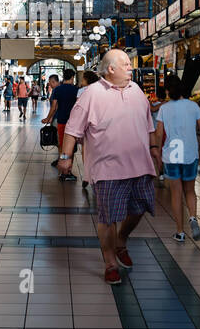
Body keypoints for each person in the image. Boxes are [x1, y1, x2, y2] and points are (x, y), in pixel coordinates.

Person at [58, 49, 159, 286]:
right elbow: (73, 128)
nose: (130, 67)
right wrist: (66, 157)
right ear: (110, 69)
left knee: (141, 207)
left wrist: (154, 148)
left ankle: (121, 239)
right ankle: (110, 262)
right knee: (109, 215)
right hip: (107, 168)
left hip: (140, 164)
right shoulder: (91, 94)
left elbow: (148, 123)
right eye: (125, 64)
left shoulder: (137, 91)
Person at [154, 72, 200, 243]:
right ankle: (193, 218)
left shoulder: (164, 108)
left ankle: (180, 232)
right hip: (190, 154)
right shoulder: (193, 106)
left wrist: (156, 150)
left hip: (172, 155)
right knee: (190, 191)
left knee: (176, 194)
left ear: (168, 91)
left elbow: (158, 133)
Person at [43, 69, 79, 180]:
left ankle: (62, 170)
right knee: (71, 148)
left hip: (61, 121)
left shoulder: (58, 89)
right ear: (72, 77)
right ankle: (68, 171)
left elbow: (54, 107)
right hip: (74, 123)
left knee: (62, 146)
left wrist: (48, 119)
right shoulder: (77, 90)